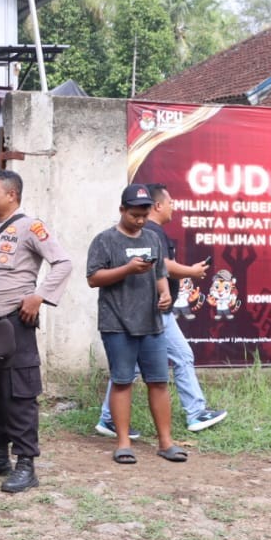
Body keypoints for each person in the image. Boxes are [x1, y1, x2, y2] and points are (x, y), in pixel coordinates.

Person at [0, 169, 76, 494]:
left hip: (14, 323)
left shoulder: (31, 226)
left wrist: (39, 295)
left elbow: (63, 263)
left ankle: (26, 464)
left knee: (19, 394)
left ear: (12, 194)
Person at [98, 183, 227, 436]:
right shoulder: (147, 232)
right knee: (178, 357)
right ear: (158, 205)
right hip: (151, 311)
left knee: (130, 368)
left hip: (154, 308)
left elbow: (159, 269)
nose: (173, 208)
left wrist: (167, 290)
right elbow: (163, 265)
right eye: (170, 203)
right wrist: (191, 272)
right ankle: (195, 412)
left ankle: (108, 419)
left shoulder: (150, 233)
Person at [87, 183, 183, 466]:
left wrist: (164, 293)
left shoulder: (153, 238)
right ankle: (123, 443)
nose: (140, 220)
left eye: (143, 214)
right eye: (134, 215)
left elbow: (160, 274)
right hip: (117, 322)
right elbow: (93, 278)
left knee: (159, 382)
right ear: (122, 210)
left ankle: (166, 442)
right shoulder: (105, 240)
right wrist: (128, 269)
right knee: (122, 381)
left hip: (151, 322)